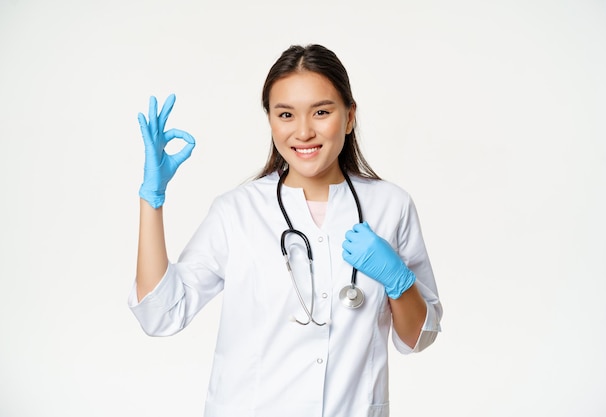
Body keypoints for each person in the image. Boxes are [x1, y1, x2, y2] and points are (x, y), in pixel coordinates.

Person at [129, 44, 442, 417]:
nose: (304, 131)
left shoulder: (390, 206)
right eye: (286, 114)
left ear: (349, 117)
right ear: (271, 121)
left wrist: (399, 281)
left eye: (321, 112)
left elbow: (417, 338)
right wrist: (152, 199)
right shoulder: (238, 211)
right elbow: (161, 315)